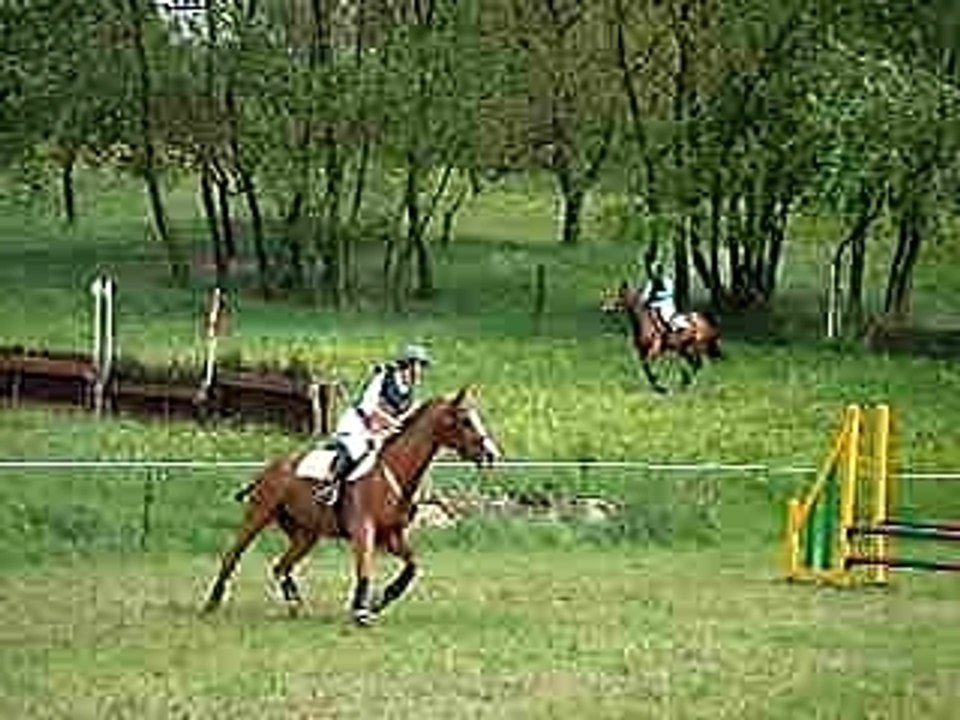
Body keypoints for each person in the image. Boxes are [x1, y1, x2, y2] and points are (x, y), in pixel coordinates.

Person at [321, 343, 432, 504]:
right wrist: (391, 423)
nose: (419, 373)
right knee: (356, 450)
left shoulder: (410, 393)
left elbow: (402, 418)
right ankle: (329, 485)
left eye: (421, 367)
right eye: (417, 366)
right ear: (407, 365)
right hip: (358, 425)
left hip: (380, 432)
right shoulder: (383, 377)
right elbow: (367, 407)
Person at [640, 260, 688, 333]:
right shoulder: (651, 283)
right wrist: (647, 300)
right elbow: (645, 296)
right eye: (655, 272)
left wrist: (657, 296)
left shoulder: (668, 281)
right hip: (654, 306)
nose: (656, 274)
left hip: (666, 303)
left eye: (658, 271)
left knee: (667, 316)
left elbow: (671, 292)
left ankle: (678, 327)